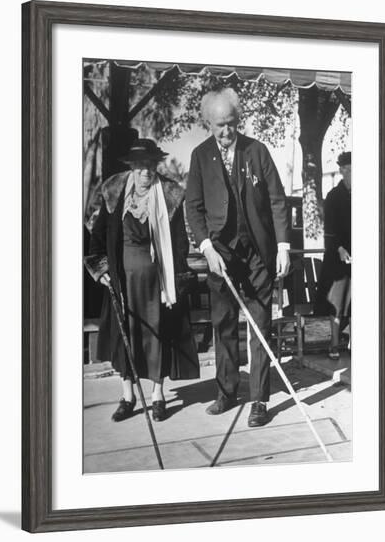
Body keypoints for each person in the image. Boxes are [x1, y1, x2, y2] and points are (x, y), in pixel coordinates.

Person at [185, 88, 290, 428]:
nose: (226, 131)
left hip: (258, 254)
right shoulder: (200, 157)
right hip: (220, 255)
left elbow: (277, 201)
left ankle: (259, 399)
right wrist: (205, 247)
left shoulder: (256, 151)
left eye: (231, 124)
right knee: (224, 325)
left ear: (237, 120)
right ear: (208, 123)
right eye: (219, 125)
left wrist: (284, 247)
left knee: (260, 327)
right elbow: (194, 207)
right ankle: (227, 391)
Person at [85, 138, 199, 423]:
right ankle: (127, 396)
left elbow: (180, 245)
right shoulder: (113, 193)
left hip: (157, 284)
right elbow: (97, 238)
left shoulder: (170, 196)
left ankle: (157, 395)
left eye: (150, 166)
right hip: (121, 283)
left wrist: (176, 280)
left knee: (156, 336)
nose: (145, 172)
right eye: (140, 166)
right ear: (131, 167)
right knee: (127, 337)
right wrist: (101, 270)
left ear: (155, 166)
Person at [317, 151, 352, 359]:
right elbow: (329, 230)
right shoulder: (333, 196)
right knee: (337, 304)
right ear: (342, 171)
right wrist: (339, 248)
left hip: (358, 255)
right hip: (337, 258)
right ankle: (334, 345)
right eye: (349, 170)